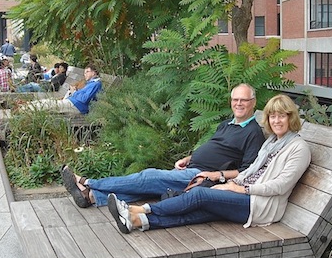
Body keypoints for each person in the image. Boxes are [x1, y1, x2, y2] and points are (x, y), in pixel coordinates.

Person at [108, 94, 311, 234]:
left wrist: (242, 189)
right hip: (244, 193)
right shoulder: (272, 143)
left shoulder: (298, 148)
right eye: (272, 116)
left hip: (259, 205)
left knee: (199, 194)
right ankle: (136, 222)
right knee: (199, 212)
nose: (276, 121)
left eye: (281, 116)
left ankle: (140, 210)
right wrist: (228, 182)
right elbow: (250, 171)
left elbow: (280, 185)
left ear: (291, 117)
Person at [61, 83, 266, 208]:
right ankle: (93, 197)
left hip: (202, 177)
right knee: (149, 188)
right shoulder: (227, 124)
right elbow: (213, 147)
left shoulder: (253, 132)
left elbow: (246, 171)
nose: (238, 104)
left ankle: (89, 182)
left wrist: (215, 176)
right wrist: (188, 158)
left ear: (253, 103)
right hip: (192, 167)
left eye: (244, 100)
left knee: (148, 176)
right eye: (235, 99)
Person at [30, 64, 102, 115]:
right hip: (72, 102)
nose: (85, 74)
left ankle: (24, 109)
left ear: (94, 73)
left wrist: (74, 92)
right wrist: (75, 91)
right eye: (84, 72)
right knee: (47, 101)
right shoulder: (90, 83)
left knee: (50, 104)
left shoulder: (96, 84)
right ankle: (25, 106)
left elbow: (84, 99)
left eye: (87, 72)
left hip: (77, 106)